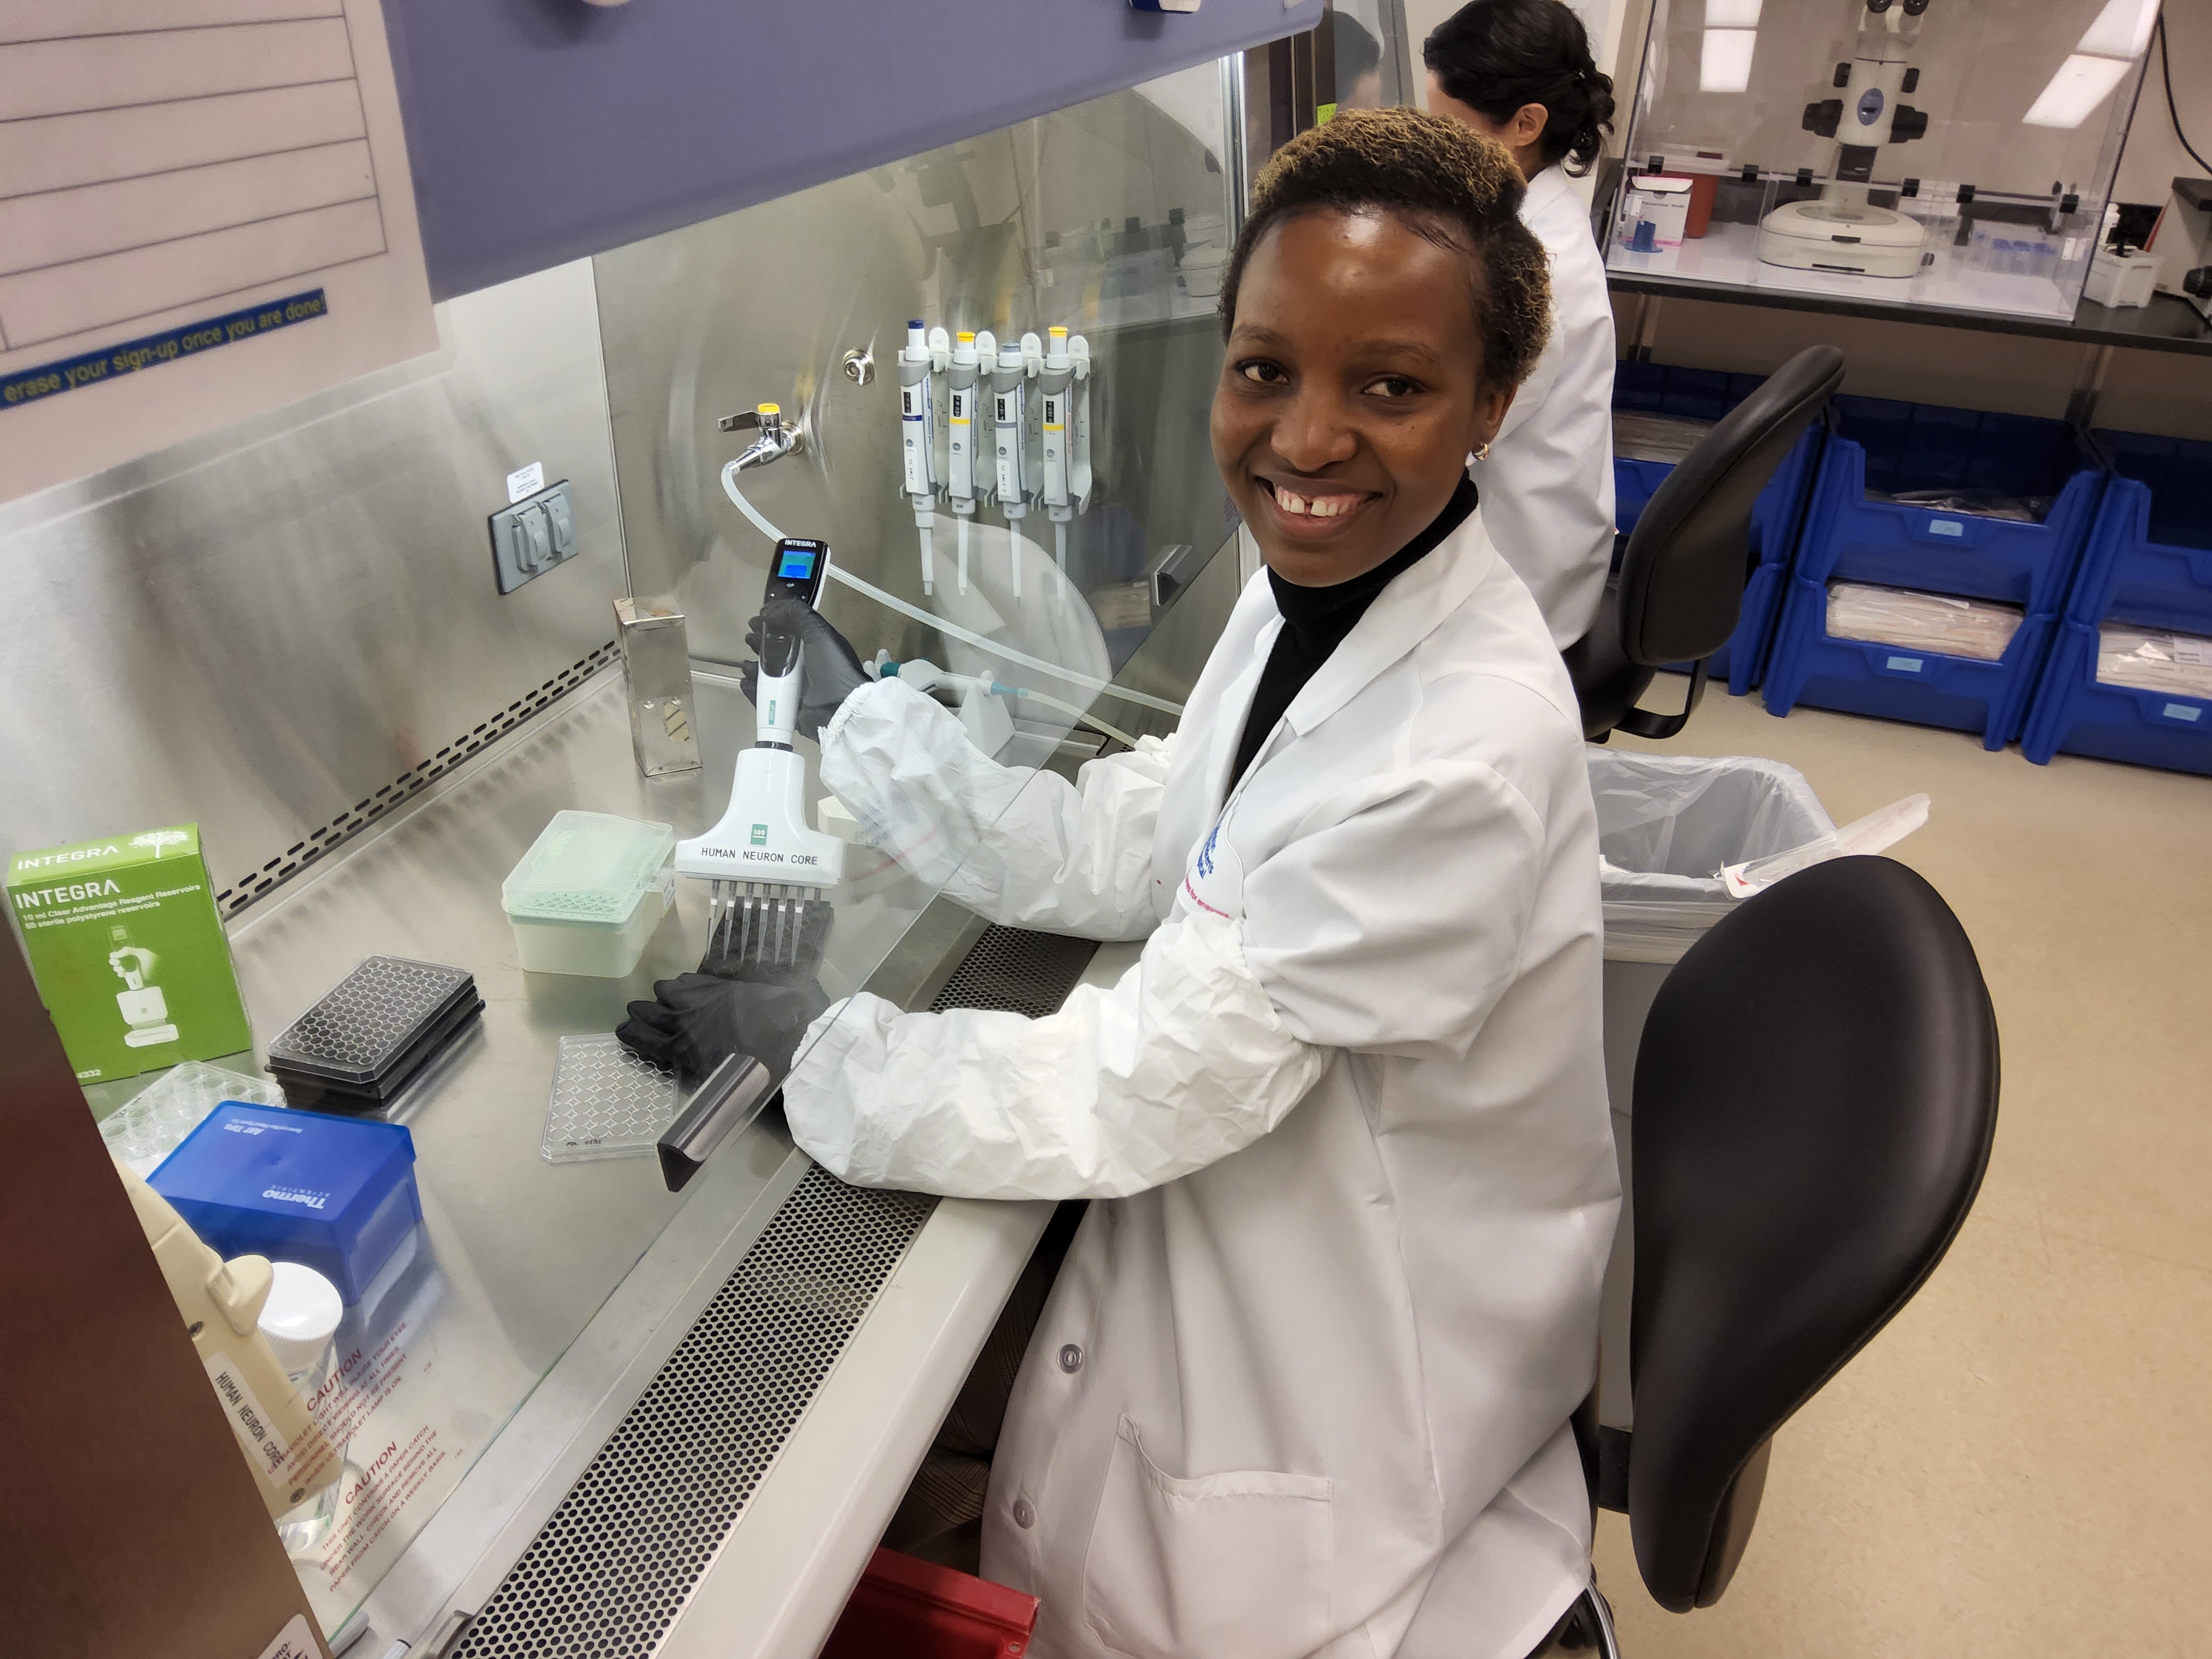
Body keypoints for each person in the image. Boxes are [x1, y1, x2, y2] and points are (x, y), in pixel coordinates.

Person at [623, 109, 1618, 1659]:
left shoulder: (1458, 751)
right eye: (1266, 369)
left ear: (1490, 404)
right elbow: (1159, 829)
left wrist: (819, 1047)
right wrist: (865, 723)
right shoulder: (1324, 590)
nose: (1303, 440)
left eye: (1393, 387)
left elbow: (1139, 1082)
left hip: (1351, 1364)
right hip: (1276, 1221)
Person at [1425, 0, 1619, 650]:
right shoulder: (1528, 219)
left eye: (1449, 127)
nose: (1434, 144)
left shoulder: (1539, 267)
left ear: (1525, 124)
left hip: (1525, 583)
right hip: (1536, 535)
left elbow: (1457, 435)